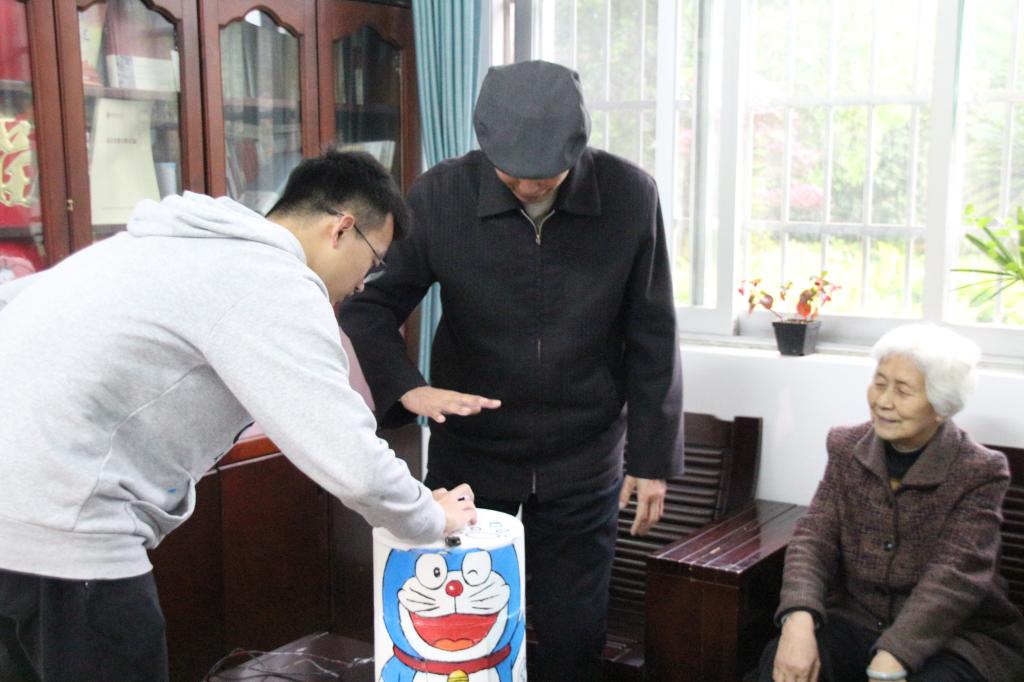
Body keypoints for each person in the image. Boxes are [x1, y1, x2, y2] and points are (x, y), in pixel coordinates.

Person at [0, 150, 477, 682]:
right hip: (69, 537)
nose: (364, 284)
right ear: (341, 229)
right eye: (374, 261)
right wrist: (430, 518)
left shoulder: (156, 241)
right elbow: (347, 452)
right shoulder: (270, 278)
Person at [340, 60, 684, 680]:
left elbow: (653, 334)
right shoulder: (440, 195)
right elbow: (370, 305)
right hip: (471, 453)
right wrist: (407, 387)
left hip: (583, 456)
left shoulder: (630, 196)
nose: (526, 185)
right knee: (455, 625)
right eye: (510, 172)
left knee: (571, 634)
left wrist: (652, 459)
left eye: (544, 174)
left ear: (577, 148)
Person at [760, 324, 1024, 682]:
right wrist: (798, 618)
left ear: (941, 406)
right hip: (856, 619)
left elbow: (954, 576)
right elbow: (813, 540)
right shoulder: (845, 447)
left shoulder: (979, 470)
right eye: (879, 383)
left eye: (902, 390)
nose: (883, 401)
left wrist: (896, 652)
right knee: (782, 661)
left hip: (954, 634)